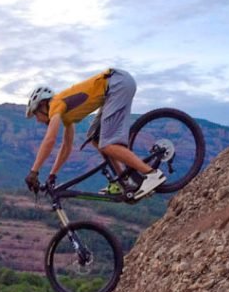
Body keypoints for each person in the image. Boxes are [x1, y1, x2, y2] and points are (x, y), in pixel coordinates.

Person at [23, 68, 165, 199]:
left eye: (36, 114)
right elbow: (66, 147)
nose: (38, 120)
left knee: (107, 144)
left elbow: (50, 140)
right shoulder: (64, 114)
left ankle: (151, 174)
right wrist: (52, 175)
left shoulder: (55, 104)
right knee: (94, 137)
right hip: (116, 86)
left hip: (117, 84)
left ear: (42, 106)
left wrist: (34, 171)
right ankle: (124, 181)